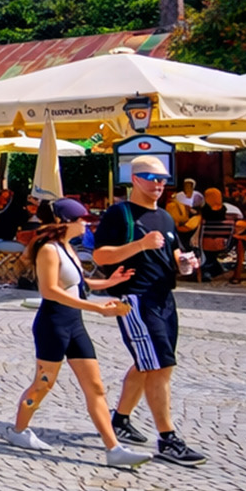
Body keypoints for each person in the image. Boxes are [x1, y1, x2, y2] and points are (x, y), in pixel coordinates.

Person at [5, 198, 154, 469]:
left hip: (75, 325)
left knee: (95, 387)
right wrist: (97, 308)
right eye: (82, 220)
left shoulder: (67, 248)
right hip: (53, 325)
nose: (86, 224)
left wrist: (109, 282)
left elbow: (78, 282)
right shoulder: (49, 250)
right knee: (42, 385)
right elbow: (50, 290)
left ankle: (114, 449)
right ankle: (18, 431)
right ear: (64, 222)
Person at [92, 156, 208, 467]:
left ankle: (119, 420)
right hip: (136, 298)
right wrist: (139, 246)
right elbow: (101, 256)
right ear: (135, 178)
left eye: (162, 179)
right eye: (150, 177)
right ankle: (167, 439)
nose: (158, 184)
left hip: (164, 298)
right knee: (160, 366)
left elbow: (174, 256)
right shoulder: (121, 214)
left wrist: (185, 263)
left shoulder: (166, 218)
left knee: (148, 364)